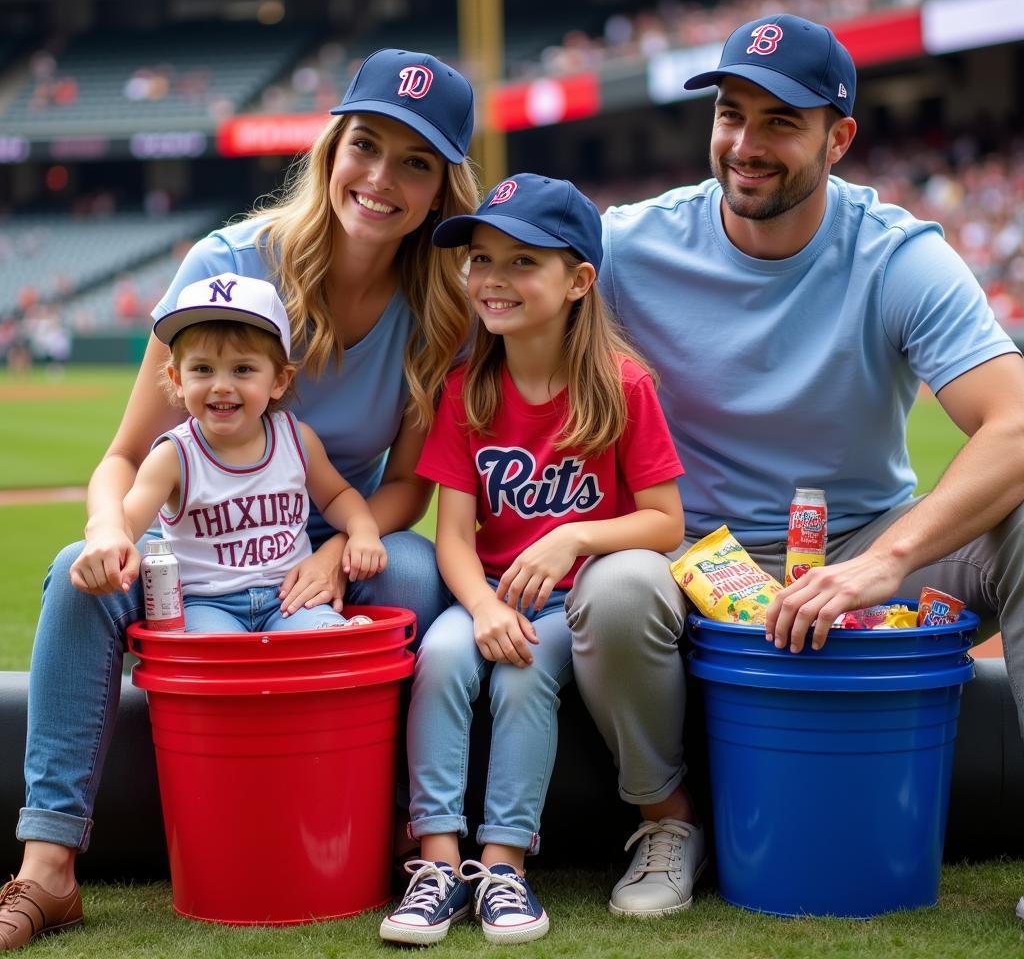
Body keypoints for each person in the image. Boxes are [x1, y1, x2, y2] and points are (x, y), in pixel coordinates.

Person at [1, 48, 479, 951]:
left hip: (337, 531)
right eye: (365, 145)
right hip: (202, 541)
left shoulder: (439, 306)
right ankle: (48, 866)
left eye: (415, 162)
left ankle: (375, 835)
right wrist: (109, 528)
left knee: (411, 574)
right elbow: (125, 456)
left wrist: (344, 545)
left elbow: (410, 481)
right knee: (75, 574)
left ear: (441, 185)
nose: (380, 179)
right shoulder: (229, 261)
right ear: (333, 145)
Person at [567, 12, 1024, 919]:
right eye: (732, 113)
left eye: (781, 121)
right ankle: (667, 823)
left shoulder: (898, 255)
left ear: (838, 137)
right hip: (691, 557)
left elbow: (1014, 421)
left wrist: (883, 562)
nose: (745, 143)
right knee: (616, 588)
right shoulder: (628, 246)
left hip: (864, 544)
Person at [379, 174, 684, 945]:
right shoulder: (468, 387)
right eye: (481, 259)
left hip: (569, 607)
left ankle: (504, 866)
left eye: (522, 262)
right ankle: (437, 865)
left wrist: (575, 536)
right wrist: (479, 606)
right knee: (442, 658)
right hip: (484, 599)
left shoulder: (622, 385)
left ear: (580, 281)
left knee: (520, 678)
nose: (493, 280)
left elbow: (664, 523)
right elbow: (451, 535)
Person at [73, 274, 388, 633]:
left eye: (243, 369)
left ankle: (332, 635)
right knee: (213, 662)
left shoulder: (296, 439)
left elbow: (338, 496)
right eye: (202, 369)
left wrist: (362, 530)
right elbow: (128, 520)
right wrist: (109, 533)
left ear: (279, 380)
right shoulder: (174, 456)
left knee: (326, 645)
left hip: (288, 596)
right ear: (177, 379)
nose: (222, 386)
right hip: (206, 603)